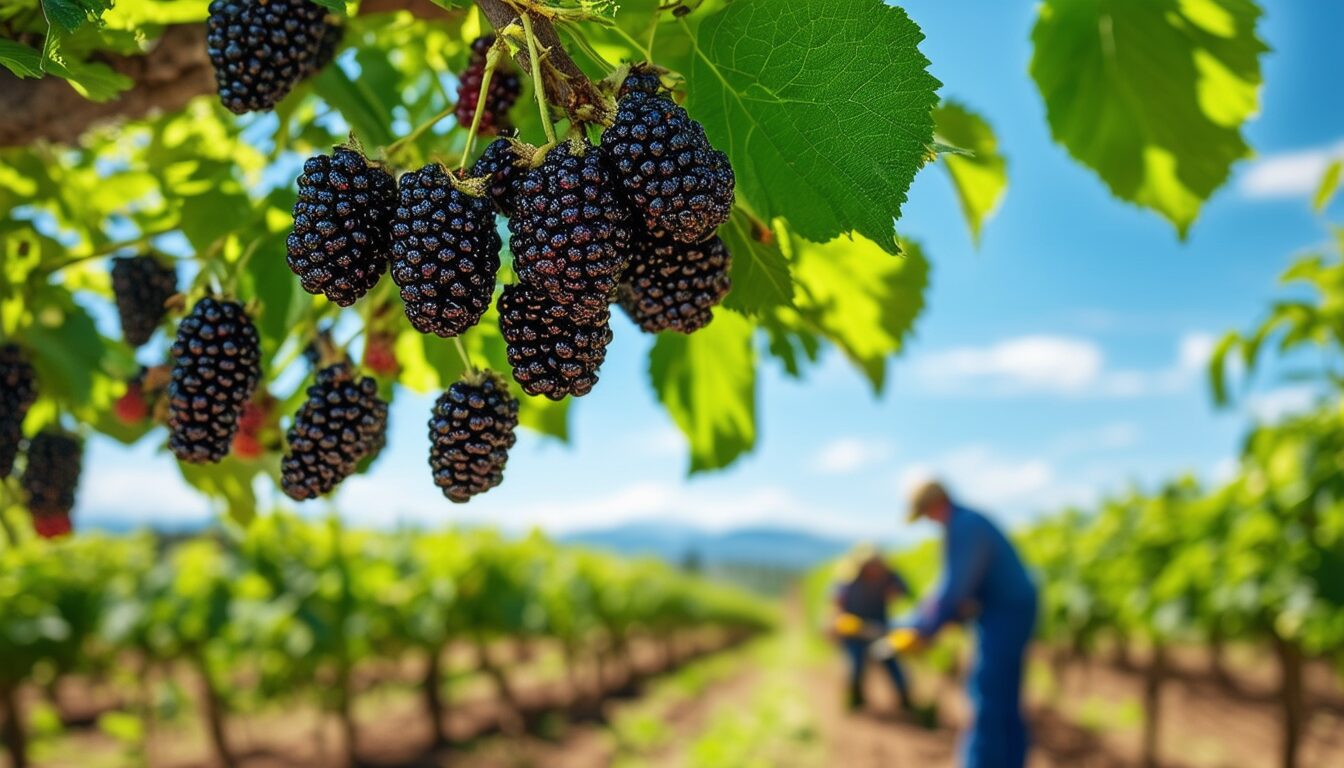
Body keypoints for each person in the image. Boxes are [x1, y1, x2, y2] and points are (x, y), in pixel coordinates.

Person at [903, 480, 1037, 768]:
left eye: (926, 515)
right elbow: (949, 592)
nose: (929, 522)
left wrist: (925, 629)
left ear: (935, 505)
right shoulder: (966, 522)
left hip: (1005, 613)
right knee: (1003, 695)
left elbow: (954, 589)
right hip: (1004, 610)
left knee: (987, 691)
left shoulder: (965, 526)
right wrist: (920, 621)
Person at [833, 550, 914, 711]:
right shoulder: (850, 581)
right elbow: (837, 604)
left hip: (880, 630)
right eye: (870, 566)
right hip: (855, 632)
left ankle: (906, 701)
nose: (874, 570)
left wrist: (896, 591)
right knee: (856, 666)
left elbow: (905, 590)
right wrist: (842, 623)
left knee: (891, 663)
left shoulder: (889, 577)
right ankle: (856, 699)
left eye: (877, 566)